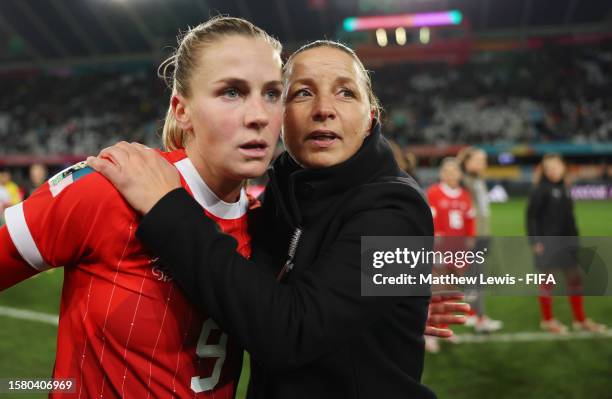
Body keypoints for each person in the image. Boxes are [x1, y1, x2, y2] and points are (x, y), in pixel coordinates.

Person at [88, 40, 469, 399]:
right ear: (279, 117)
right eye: (302, 92)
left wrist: (166, 207)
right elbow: (250, 281)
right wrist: (378, 300)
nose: (324, 108)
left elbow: (290, 333)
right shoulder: (287, 186)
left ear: (370, 118)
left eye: (345, 92)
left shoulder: (396, 207)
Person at [1, 16, 284, 398]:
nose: (259, 116)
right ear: (181, 109)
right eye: (231, 92)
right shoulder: (108, 187)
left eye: (272, 93)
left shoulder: (267, 227)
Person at [526, 153, 606, 334]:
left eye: (556, 167)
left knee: (575, 279)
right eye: (548, 168)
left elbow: (569, 219)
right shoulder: (540, 190)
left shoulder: (564, 187)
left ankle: (580, 319)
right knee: (547, 282)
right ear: (544, 171)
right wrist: (536, 241)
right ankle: (547, 320)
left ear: (563, 167)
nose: (553, 171)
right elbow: (532, 218)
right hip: (548, 244)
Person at [457, 147, 503, 333]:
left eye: (484, 159)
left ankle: (476, 315)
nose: (483, 163)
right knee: (473, 279)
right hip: (471, 238)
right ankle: (477, 317)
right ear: (467, 162)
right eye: (478, 159)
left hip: (482, 235)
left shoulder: (478, 180)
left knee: (476, 279)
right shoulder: (463, 181)